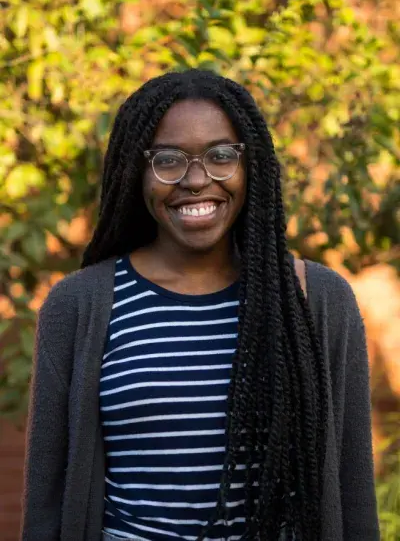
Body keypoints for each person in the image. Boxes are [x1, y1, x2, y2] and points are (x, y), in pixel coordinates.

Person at [20, 70, 379, 541]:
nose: (196, 180)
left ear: (251, 165)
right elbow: (46, 501)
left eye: (221, 156)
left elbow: (353, 491)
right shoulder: (79, 305)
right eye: (168, 159)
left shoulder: (317, 301)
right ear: (136, 170)